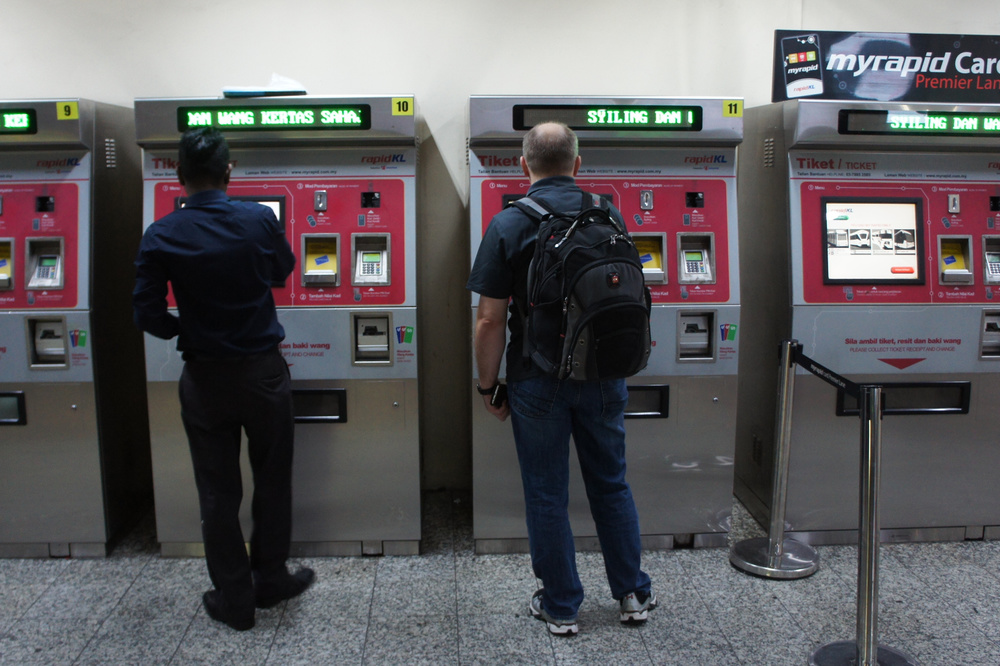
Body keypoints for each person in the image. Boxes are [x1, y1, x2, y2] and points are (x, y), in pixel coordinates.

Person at [467, 122, 655, 636]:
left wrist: (489, 386)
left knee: (546, 494)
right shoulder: (608, 212)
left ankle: (562, 605)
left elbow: (489, 321)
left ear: (523, 166)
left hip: (538, 378)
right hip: (604, 374)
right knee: (611, 484)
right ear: (577, 163)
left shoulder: (509, 223)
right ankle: (633, 593)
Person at [133, 127, 313, 631]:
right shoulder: (258, 219)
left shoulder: (161, 234)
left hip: (205, 377)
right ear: (229, 171)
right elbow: (283, 269)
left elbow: (147, 314)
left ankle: (235, 599)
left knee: (217, 492)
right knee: (273, 480)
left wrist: (185, 328)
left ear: (178, 174)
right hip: (263, 374)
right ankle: (270, 578)